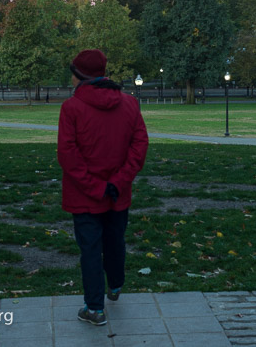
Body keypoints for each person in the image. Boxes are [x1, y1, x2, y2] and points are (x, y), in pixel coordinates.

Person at [58, 49, 149, 326]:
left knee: (90, 249)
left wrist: (95, 186)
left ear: (79, 76)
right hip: (116, 191)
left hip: (85, 194)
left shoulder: (72, 108)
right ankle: (116, 285)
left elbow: (68, 154)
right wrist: (118, 182)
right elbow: (139, 145)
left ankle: (95, 308)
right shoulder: (129, 104)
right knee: (114, 240)